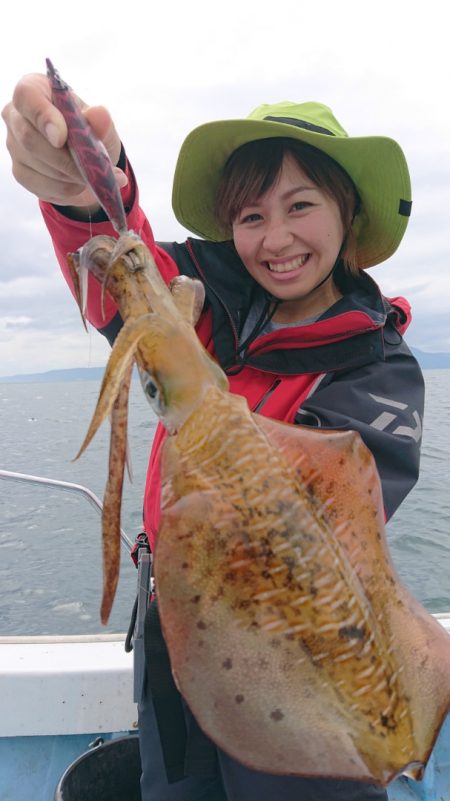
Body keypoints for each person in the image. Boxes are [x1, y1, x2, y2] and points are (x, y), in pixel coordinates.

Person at [2, 77, 424, 801]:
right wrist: (81, 189)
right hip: (176, 636)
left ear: (346, 212)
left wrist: (188, 384)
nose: (277, 238)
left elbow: (303, 516)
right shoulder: (210, 301)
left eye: (301, 206)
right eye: (251, 215)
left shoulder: (379, 369)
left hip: (303, 666)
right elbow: (132, 275)